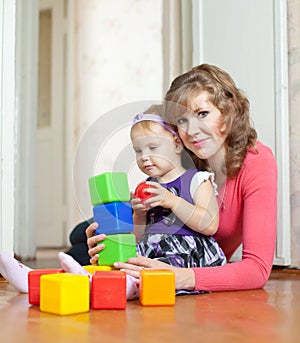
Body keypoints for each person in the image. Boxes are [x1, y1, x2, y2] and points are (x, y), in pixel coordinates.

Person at [87, 64, 278, 293]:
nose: (192, 131)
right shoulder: (183, 160)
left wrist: (180, 277)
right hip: (156, 240)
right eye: (181, 121)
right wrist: (115, 241)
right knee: (86, 234)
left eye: (202, 114)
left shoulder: (257, 162)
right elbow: (147, 231)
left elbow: (256, 270)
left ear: (228, 114)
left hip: (187, 259)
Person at [0, 105, 226, 298]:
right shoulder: (147, 184)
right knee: (116, 260)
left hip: (184, 255)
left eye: (153, 148)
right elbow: (138, 237)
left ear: (177, 145)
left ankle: (105, 284)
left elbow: (209, 224)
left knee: (139, 274)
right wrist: (139, 215)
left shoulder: (197, 179)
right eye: (138, 151)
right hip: (152, 249)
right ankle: (34, 280)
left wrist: (171, 200)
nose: (144, 157)